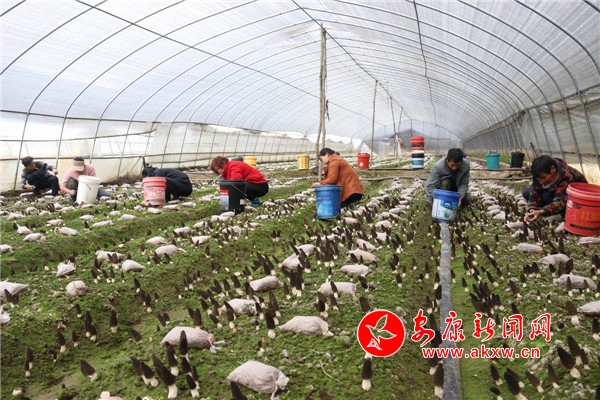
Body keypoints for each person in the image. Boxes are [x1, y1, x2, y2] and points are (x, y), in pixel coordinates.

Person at [523, 155, 587, 223]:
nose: (541, 181)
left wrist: (543, 211)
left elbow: (560, 201)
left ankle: (558, 212)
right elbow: (535, 190)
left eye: (543, 177)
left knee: (547, 197)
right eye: (538, 178)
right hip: (553, 192)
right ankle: (547, 207)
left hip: (575, 200)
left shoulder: (567, 176)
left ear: (552, 169)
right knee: (526, 193)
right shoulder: (540, 173)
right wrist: (532, 209)